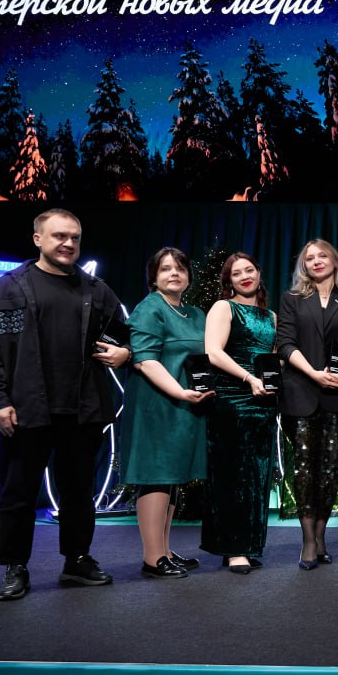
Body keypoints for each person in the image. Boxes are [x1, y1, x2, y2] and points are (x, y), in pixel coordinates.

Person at [0, 209, 129, 601]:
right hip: (25, 409)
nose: (68, 244)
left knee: (79, 492)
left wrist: (125, 352)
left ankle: (77, 560)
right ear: (38, 239)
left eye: (75, 237)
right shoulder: (6, 289)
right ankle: (15, 567)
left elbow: (126, 335)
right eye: (59, 236)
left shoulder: (96, 289)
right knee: (18, 492)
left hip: (83, 409)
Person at [274, 239, 338, 570]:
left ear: (335, 260)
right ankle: (308, 542)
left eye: (322, 255)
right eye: (309, 258)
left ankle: (321, 535)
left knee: (330, 470)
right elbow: (285, 343)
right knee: (304, 468)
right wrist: (315, 373)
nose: (316, 261)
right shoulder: (292, 299)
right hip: (300, 392)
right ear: (303, 265)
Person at [121, 247, 213, 579]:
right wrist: (180, 392)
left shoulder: (195, 313)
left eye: (180, 268)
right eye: (165, 268)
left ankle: (164, 549)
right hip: (157, 404)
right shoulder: (150, 308)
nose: (174, 273)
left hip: (186, 405)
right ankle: (152, 558)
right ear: (153, 277)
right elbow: (145, 360)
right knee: (156, 475)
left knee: (172, 477)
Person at [202, 253, 277, 574]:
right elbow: (213, 352)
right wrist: (249, 378)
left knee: (257, 475)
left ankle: (248, 544)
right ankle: (233, 549)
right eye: (237, 273)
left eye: (249, 270)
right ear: (229, 281)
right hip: (233, 399)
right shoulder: (224, 307)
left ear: (259, 273)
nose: (245, 276)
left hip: (264, 401)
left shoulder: (271, 316)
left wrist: (273, 378)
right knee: (233, 474)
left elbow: (272, 356)